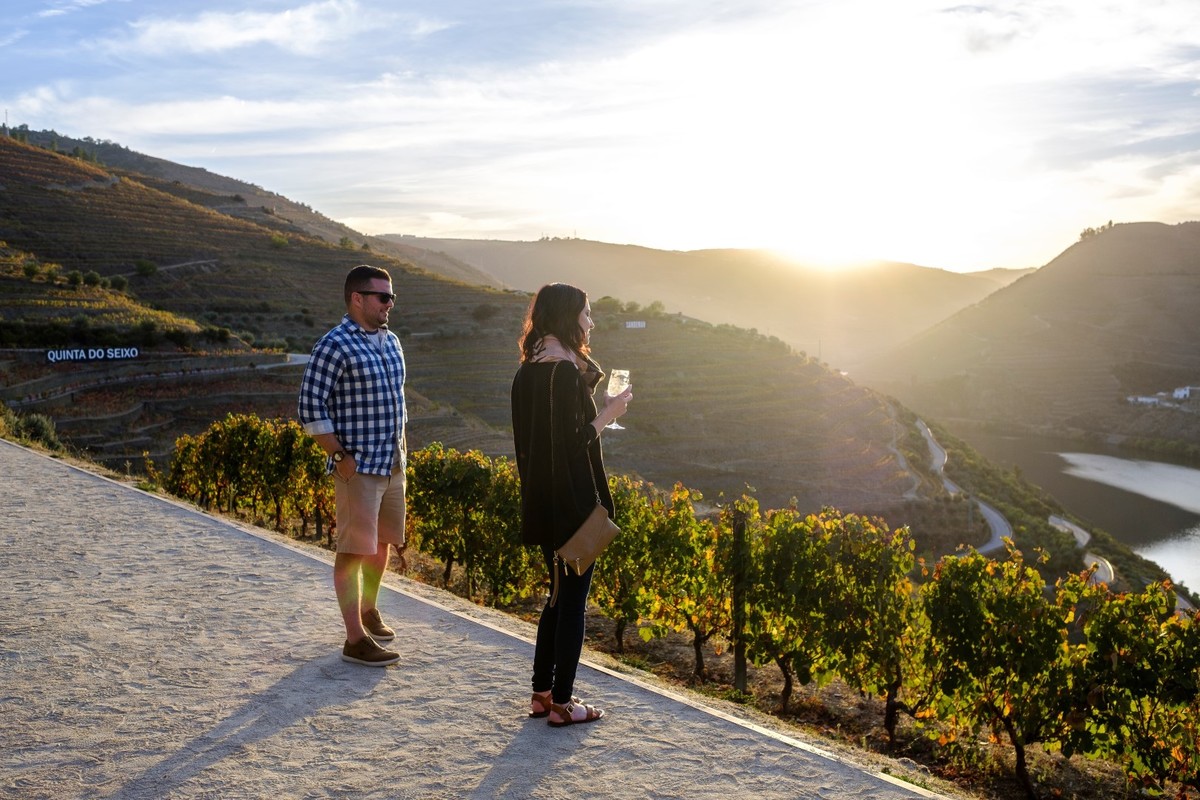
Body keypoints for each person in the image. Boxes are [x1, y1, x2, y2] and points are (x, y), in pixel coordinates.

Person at [510, 283, 633, 726]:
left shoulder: (527, 372)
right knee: (573, 602)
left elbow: (536, 445)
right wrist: (607, 414)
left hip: (543, 501)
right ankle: (563, 702)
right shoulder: (561, 375)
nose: (591, 322)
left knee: (557, 598)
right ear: (568, 317)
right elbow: (573, 442)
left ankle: (543, 693)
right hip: (574, 504)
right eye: (585, 313)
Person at [298, 264, 408, 667]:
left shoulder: (392, 341)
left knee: (383, 543)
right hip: (358, 468)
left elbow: (397, 403)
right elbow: (309, 406)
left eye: (392, 296)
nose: (390, 303)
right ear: (357, 299)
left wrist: (401, 454)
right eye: (383, 296)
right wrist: (340, 456)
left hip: (393, 462)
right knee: (352, 550)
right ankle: (354, 639)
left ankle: (368, 609)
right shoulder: (334, 344)